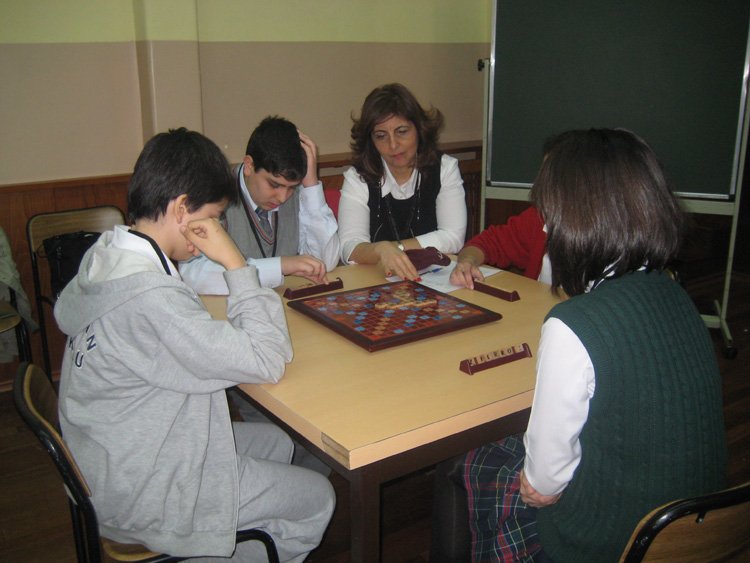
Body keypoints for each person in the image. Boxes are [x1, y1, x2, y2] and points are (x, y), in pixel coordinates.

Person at [441, 129, 728, 562]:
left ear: (579, 217)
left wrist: (543, 482)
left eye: (550, 212)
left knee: (472, 463)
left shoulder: (573, 324)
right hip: (698, 527)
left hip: (614, 543)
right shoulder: (673, 291)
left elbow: (544, 483)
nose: (544, 225)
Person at [54, 128, 335, 562]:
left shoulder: (108, 253)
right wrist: (235, 262)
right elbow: (268, 357)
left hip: (114, 459)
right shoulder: (150, 299)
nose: (217, 228)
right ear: (183, 209)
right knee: (317, 497)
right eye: (215, 217)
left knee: (278, 444)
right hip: (144, 492)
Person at [180, 116, 340, 293]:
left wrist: (311, 185)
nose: (282, 197)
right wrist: (280, 266)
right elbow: (193, 273)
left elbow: (325, 262)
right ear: (249, 165)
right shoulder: (215, 196)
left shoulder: (298, 193)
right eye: (274, 185)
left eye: (291, 188)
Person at [337, 83, 467, 281]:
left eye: (402, 131)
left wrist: (395, 248)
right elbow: (349, 248)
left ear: (419, 129)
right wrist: (381, 250)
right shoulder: (358, 177)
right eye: (381, 136)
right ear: (371, 140)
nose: (393, 145)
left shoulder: (445, 168)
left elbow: (453, 237)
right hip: (376, 280)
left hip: (434, 280)